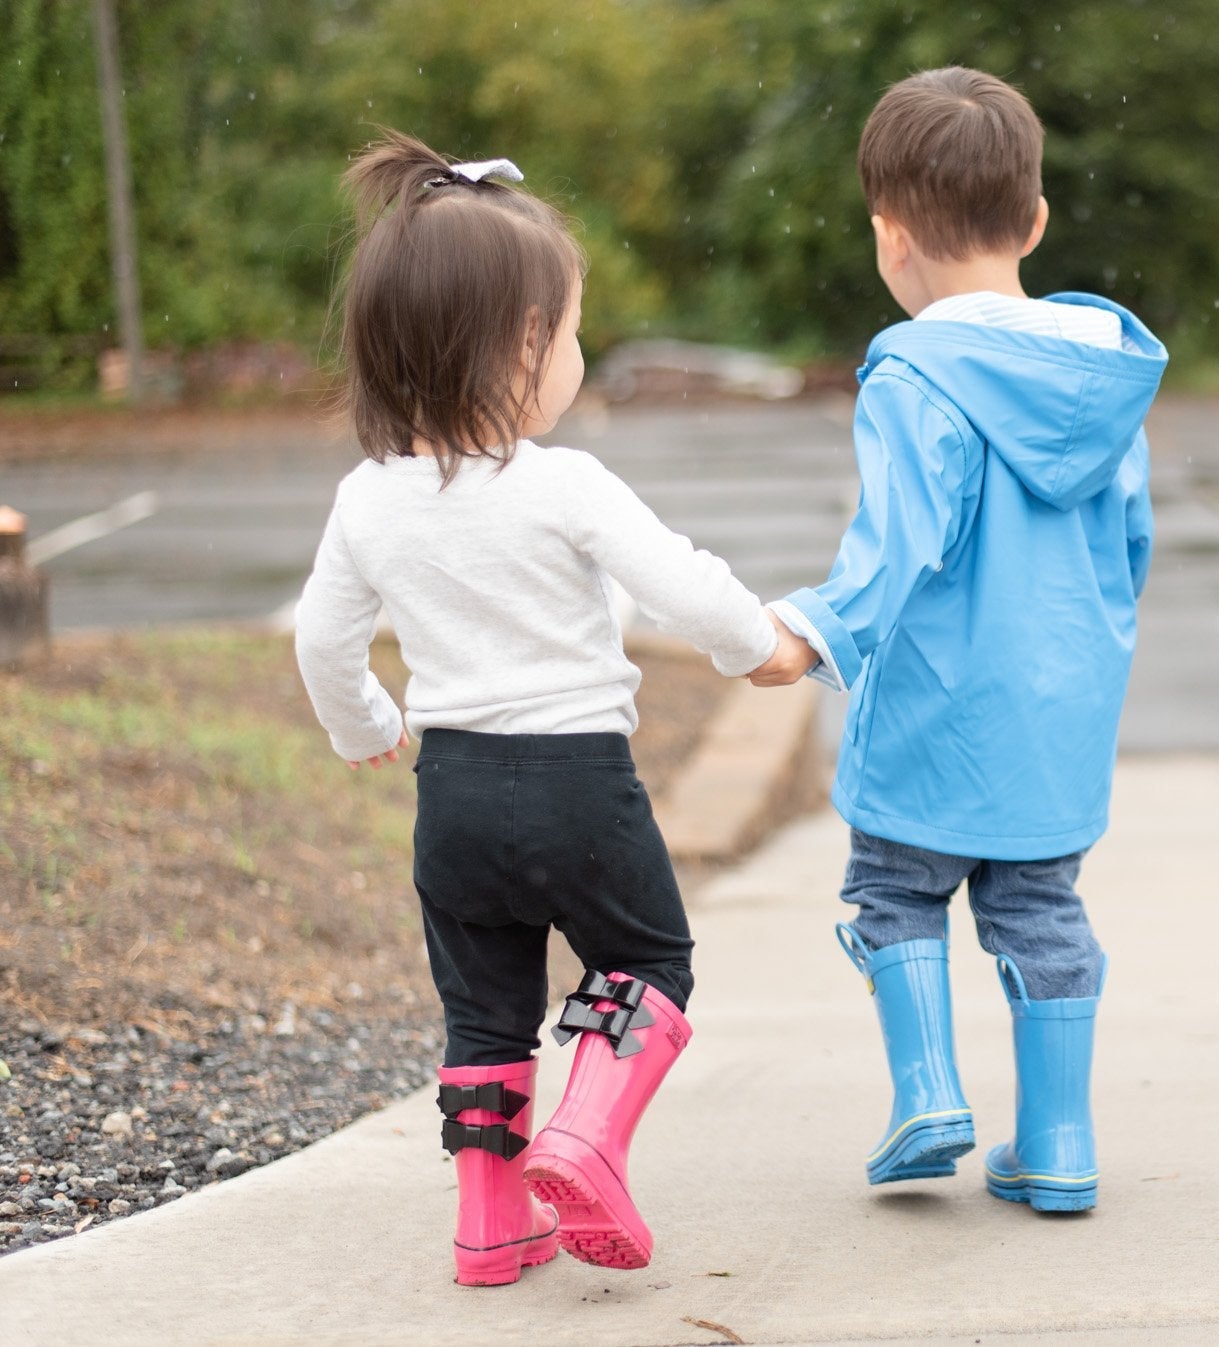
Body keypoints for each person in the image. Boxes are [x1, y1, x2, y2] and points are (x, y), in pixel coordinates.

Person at [294, 130, 815, 1285]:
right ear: (526, 345)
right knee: (647, 962)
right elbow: (678, 578)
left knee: (486, 1014)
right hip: (577, 781)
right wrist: (760, 648)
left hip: (456, 795)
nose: (576, 352)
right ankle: (587, 1137)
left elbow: (322, 638)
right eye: (572, 331)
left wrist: (366, 728)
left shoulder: (368, 499)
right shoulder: (561, 481)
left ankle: (489, 1226)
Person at [762, 67, 1167, 1213]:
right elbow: (1129, 548)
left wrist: (815, 629)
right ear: (1034, 220)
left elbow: (895, 541)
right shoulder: (1098, 376)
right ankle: (1059, 1144)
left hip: (939, 706)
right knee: (1039, 908)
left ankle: (930, 1093)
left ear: (889, 240)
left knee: (894, 891)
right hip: (1056, 713)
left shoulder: (916, 376)